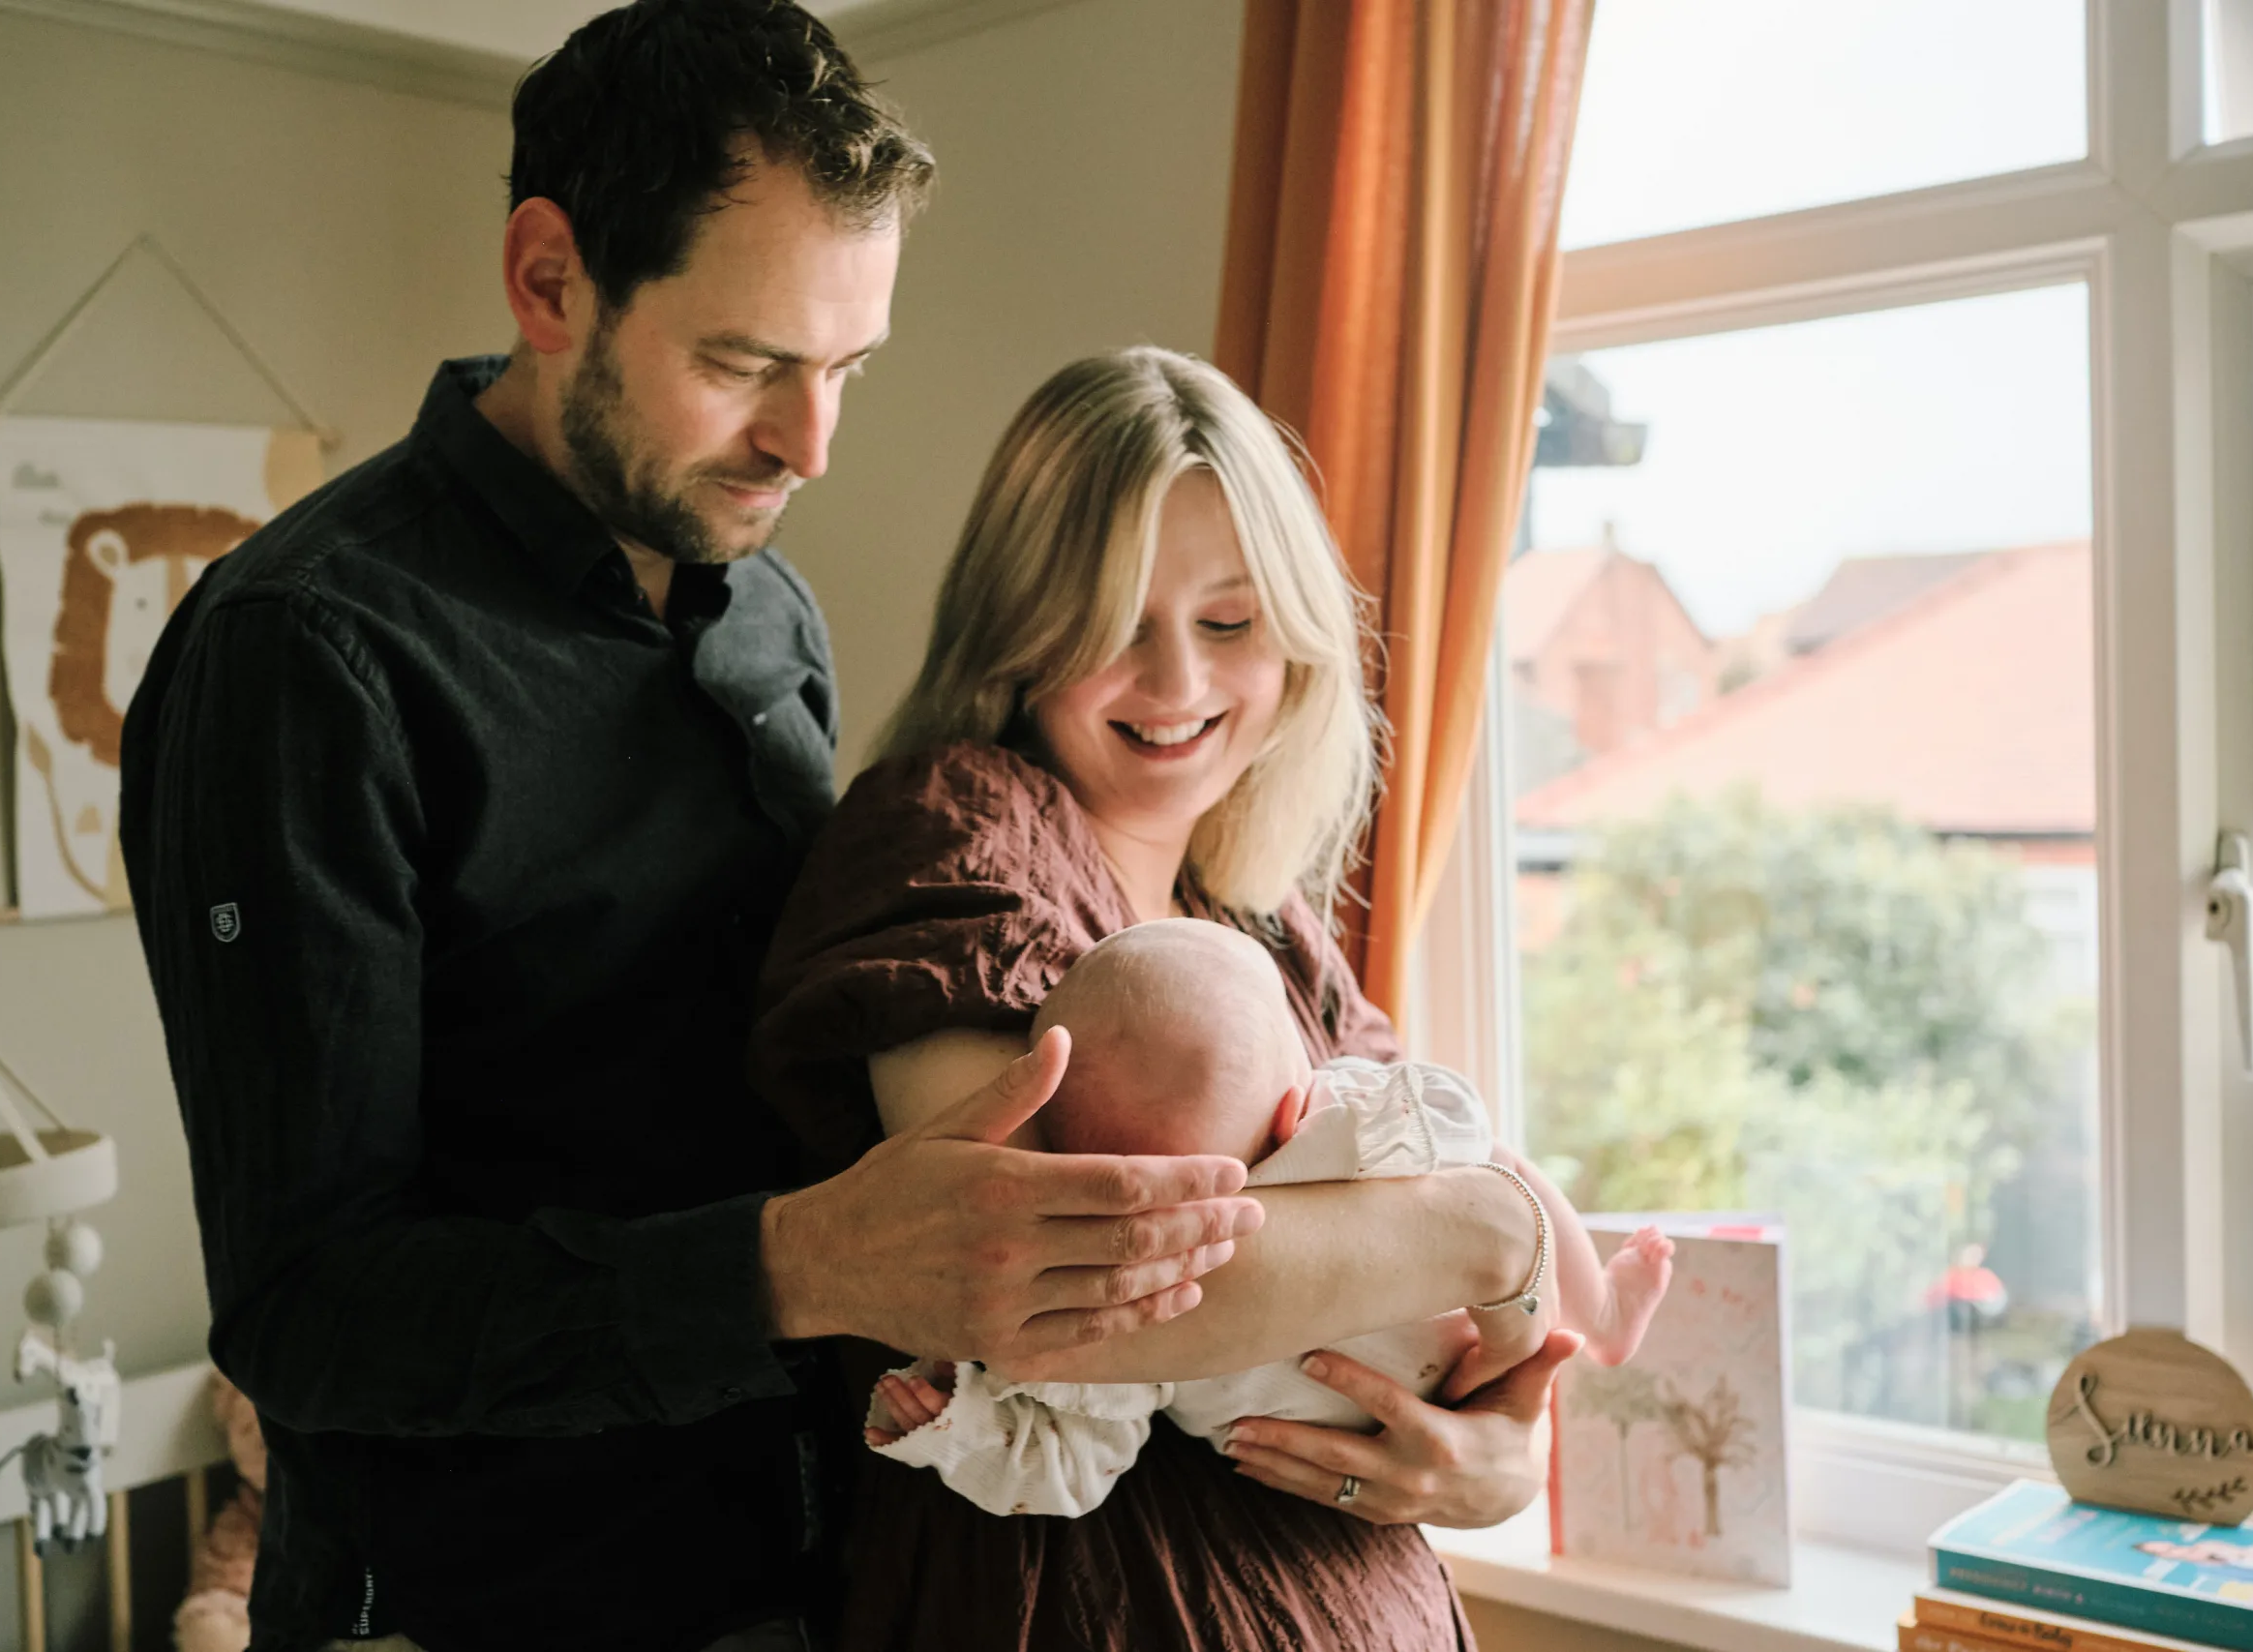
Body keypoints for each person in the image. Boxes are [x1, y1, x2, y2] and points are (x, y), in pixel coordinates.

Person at [118, 9, 1269, 1650]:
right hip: (484, 1611)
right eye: (746, 365)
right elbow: (310, 1312)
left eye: (847, 369)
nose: (812, 444)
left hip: (815, 1577)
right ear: (548, 280)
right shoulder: (306, 656)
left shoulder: (771, 615)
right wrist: (801, 1265)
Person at [753, 346, 1587, 1651]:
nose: (1180, 683)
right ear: (1020, 629)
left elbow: (1502, 1315)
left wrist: (1496, 1454)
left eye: (1229, 622)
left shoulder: (1261, 912)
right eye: (1112, 624)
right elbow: (1056, 1279)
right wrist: (1502, 1234)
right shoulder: (954, 832)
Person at [859, 919, 1672, 1519]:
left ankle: (1599, 1313)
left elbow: (1477, 1162)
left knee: (1499, 1162)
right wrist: (961, 1421)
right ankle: (1594, 1310)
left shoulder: (1349, 1126)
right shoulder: (1139, 1297)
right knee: (1500, 1170)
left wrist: (1513, 1456)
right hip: (1372, 1466)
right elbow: (1075, 1465)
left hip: (1481, 1357)